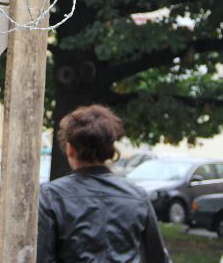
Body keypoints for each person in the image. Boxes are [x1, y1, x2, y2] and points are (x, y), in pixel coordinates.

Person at [37, 104, 172, 263]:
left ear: (70, 149)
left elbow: (42, 257)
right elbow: (158, 258)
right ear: (111, 149)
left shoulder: (50, 196)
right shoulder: (137, 196)